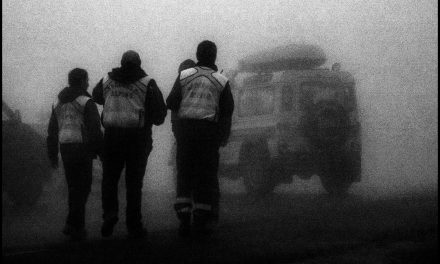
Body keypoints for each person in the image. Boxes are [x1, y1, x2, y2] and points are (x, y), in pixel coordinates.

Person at [92, 50, 167, 239]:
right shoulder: (147, 83)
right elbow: (159, 115)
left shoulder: (106, 81)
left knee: (110, 180)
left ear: (121, 62)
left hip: (111, 138)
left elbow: (96, 96)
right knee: (134, 184)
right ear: (139, 64)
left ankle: (110, 214)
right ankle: (134, 225)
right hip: (137, 140)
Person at [166, 41, 234, 236]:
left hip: (186, 132)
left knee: (184, 173)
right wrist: (223, 134)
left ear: (197, 54)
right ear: (215, 56)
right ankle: (202, 219)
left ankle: (184, 217)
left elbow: (171, 102)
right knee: (206, 175)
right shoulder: (221, 80)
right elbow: (227, 111)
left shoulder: (184, 76)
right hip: (208, 134)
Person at [47, 68, 103, 240]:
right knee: (83, 188)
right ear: (82, 81)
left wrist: (52, 154)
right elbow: (94, 128)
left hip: (65, 147)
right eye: (87, 79)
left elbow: (52, 130)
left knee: (73, 188)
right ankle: (73, 224)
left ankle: (75, 226)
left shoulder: (57, 103)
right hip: (82, 147)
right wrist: (101, 151)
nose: (88, 83)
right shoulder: (86, 101)